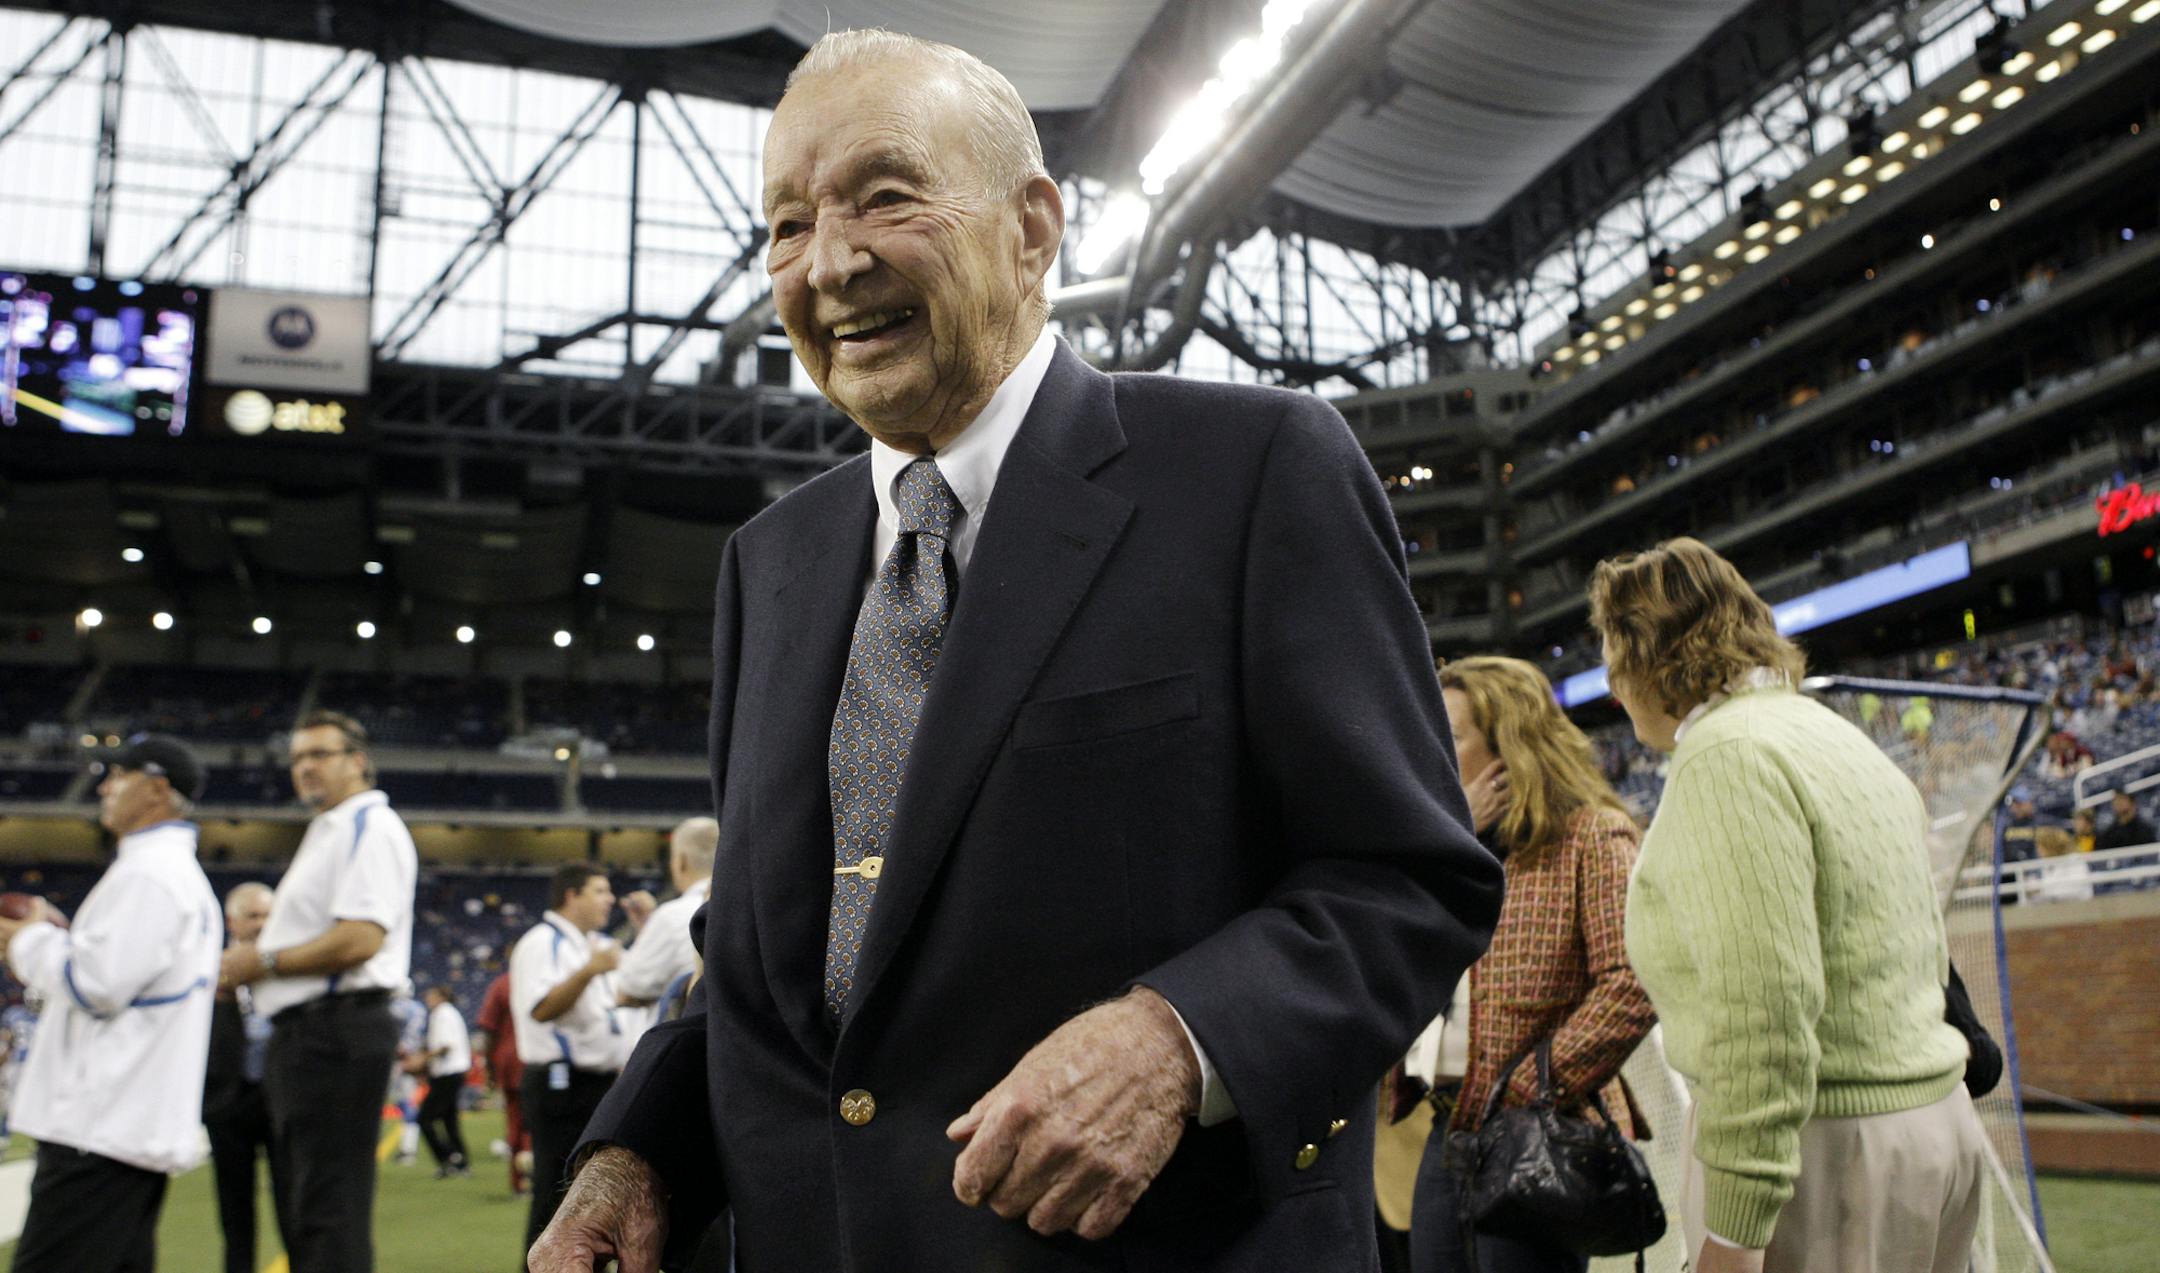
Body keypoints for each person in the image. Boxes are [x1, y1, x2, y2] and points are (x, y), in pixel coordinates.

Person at [529, 30, 1501, 1273]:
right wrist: (636, 1155)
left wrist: (1177, 1040)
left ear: (1033, 228)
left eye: (885, 197)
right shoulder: (767, 562)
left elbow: (1408, 878)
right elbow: (775, 966)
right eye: (784, 225)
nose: (830, 262)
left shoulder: (1253, 472)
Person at [1589, 537, 1987, 1273]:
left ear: (1649, 656)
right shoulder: (1838, 738)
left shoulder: (1726, 756)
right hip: (1935, 1126)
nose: (1613, 688)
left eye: (1615, 657)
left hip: (1827, 1156)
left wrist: (1736, 1231)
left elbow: (1762, 1010)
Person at [1406, 657, 1657, 1273]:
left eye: (1452, 734)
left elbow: (1632, 982)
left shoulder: (1592, 836)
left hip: (1537, 1136)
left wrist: (1531, 1086)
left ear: (1506, 744)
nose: (1432, 747)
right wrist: (1454, 836)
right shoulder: (1451, 851)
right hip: (1447, 1132)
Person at [0, 735, 222, 1273]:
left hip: (97, 1128)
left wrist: (26, 941)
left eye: (118, 775)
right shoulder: (163, 874)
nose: (104, 786)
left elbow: (95, 986)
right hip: (121, 1126)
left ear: (157, 789)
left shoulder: (150, 875)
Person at [219, 710, 418, 1273]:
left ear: (357, 761)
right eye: (297, 758)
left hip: (333, 1028)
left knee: (327, 1208)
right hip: (314, 1031)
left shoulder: (368, 827)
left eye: (318, 755)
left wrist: (262, 960)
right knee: (309, 1205)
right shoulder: (332, 828)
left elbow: (360, 938)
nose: (304, 768)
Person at [510, 864, 625, 1253]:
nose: (610, 899)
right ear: (571, 895)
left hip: (597, 1082)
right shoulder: (542, 943)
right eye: (599, 890)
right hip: (563, 1083)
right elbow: (542, 1008)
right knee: (556, 1194)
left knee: (592, 1197)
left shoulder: (589, 944)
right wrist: (589, 972)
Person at [204, 881, 276, 1273]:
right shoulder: (206, 972)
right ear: (232, 921)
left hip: (281, 1100)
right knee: (234, 1210)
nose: (262, 923)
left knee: (296, 1204)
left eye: (268, 914)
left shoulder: (291, 968)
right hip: (228, 1102)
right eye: (253, 915)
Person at [615, 816, 717, 1016]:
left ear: (681, 862)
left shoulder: (671, 917)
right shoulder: (744, 910)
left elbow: (627, 992)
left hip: (687, 1039)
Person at [475, 968, 530, 1194]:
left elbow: (488, 1029)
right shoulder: (554, 977)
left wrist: (489, 1068)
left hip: (510, 1064)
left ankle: (520, 1183)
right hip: (546, 1062)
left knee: (516, 1124)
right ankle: (545, 1180)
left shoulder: (502, 984)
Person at [415, 984, 474, 1177]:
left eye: (431, 995)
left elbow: (445, 1045)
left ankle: (447, 1158)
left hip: (447, 1073)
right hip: (453, 1072)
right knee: (449, 1120)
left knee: (424, 1118)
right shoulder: (450, 1013)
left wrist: (423, 1059)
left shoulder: (442, 1013)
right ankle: (461, 1161)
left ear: (441, 996)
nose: (427, 999)